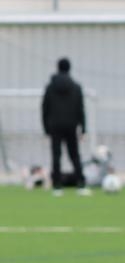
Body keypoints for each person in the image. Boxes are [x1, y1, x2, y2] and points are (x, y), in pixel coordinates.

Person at [41, 57, 89, 197]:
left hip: (55, 126)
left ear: (58, 67)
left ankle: (57, 186)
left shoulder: (50, 87)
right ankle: (81, 184)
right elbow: (80, 109)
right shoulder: (76, 87)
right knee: (74, 155)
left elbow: (44, 108)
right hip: (71, 125)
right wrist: (83, 128)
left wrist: (46, 128)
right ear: (69, 68)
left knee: (56, 156)